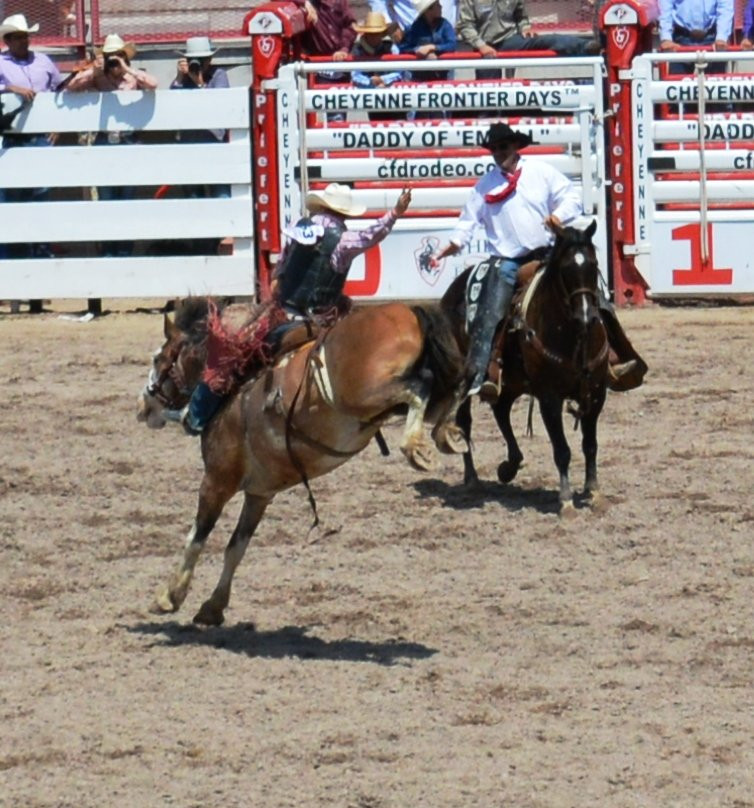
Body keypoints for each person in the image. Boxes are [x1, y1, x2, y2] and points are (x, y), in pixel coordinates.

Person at [176, 184, 413, 435]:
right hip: (322, 320)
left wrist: (279, 283)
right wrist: (394, 214)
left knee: (231, 354)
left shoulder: (301, 228)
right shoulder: (343, 240)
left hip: (282, 314)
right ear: (344, 214)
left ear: (320, 207)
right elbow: (372, 235)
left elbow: (282, 265)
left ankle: (197, 416)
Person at [432, 123, 646, 399]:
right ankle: (486, 370)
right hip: (507, 260)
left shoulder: (541, 173)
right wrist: (450, 247)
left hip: (547, 254)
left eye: (504, 147)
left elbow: (570, 197)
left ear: (516, 147)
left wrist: (558, 216)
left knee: (592, 295)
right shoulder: (484, 186)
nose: (499, 153)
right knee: (491, 310)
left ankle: (616, 356)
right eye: (495, 149)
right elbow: (467, 223)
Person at [67, 34, 158, 311]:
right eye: (110, 56)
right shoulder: (98, 77)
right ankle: (108, 256)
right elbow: (72, 87)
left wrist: (127, 69)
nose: (113, 61)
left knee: (127, 203)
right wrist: (95, 69)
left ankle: (124, 257)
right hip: (107, 140)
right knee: (106, 202)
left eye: (116, 56)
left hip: (128, 141)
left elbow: (153, 85)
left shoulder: (133, 76)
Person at [0, 13, 63, 313]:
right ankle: (13, 282)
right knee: (13, 209)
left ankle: (39, 286)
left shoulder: (44, 63)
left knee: (40, 206)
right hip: (12, 140)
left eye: (26, 36)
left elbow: (61, 93)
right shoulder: (1, 65)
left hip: (39, 139)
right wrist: (10, 89)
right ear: (9, 40)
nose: (24, 40)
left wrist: (59, 123)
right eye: (19, 36)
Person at [170, 36, 230, 253]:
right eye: (195, 60)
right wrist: (179, 78)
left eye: (202, 60)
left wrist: (199, 84)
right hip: (190, 148)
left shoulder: (219, 76)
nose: (198, 64)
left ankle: (222, 239)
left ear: (209, 61)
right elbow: (172, 106)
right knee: (193, 197)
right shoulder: (182, 80)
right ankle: (200, 245)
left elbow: (219, 103)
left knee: (220, 194)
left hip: (214, 146)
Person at [456, 0, 601, 64]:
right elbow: (465, 25)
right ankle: (487, 121)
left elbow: (521, 16)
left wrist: (525, 28)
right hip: (484, 46)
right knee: (487, 90)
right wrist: (481, 46)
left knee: (546, 40)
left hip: (509, 39)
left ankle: (587, 47)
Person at [351, 12, 406, 119]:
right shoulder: (358, 51)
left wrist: (383, 79)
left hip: (393, 96)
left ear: (382, 35)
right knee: (376, 124)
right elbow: (355, 75)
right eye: (371, 34)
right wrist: (370, 81)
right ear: (365, 34)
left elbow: (400, 72)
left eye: (377, 34)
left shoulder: (391, 48)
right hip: (372, 98)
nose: (373, 37)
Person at [658, 0, 733, 76]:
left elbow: (725, 8)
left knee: (715, 84)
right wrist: (666, 38)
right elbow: (665, 8)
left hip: (712, 40)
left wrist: (721, 37)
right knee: (678, 85)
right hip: (680, 39)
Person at [399, 0, 457, 85]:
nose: (441, 7)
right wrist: (418, 50)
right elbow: (404, 47)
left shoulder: (445, 24)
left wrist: (432, 48)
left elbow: (452, 44)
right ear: (428, 10)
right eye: (437, 5)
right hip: (421, 75)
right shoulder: (415, 27)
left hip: (443, 73)